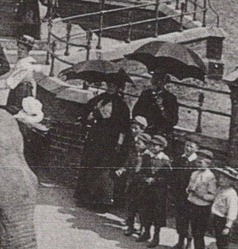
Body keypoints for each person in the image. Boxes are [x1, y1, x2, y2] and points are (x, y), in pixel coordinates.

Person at [75, 78, 131, 209]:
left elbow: (124, 127)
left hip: (110, 141)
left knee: (103, 170)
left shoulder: (121, 105)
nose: (111, 87)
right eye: (109, 84)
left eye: (114, 85)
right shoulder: (99, 99)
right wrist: (90, 115)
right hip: (95, 137)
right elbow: (86, 113)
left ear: (119, 88)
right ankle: (84, 197)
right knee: (88, 165)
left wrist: (119, 143)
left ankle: (100, 201)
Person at [133, 134, 172, 247]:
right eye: (152, 145)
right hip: (147, 189)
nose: (153, 148)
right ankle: (146, 232)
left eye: (157, 146)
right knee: (146, 211)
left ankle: (156, 236)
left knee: (157, 214)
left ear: (162, 148)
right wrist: (145, 179)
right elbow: (142, 171)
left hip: (159, 192)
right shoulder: (147, 157)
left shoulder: (165, 161)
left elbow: (167, 178)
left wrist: (155, 180)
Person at [183, 149, 217, 249]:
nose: (199, 164)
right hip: (192, 204)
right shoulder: (194, 174)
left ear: (208, 163)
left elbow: (212, 196)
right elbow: (188, 188)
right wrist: (189, 190)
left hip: (202, 208)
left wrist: (200, 195)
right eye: (198, 161)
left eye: (202, 162)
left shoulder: (210, 177)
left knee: (199, 235)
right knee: (193, 231)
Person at [207, 165, 238, 249]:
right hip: (216, 218)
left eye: (225, 178)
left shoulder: (231, 194)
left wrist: (228, 225)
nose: (221, 180)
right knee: (219, 242)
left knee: (224, 245)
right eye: (221, 177)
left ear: (231, 181)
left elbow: (232, 211)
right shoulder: (220, 190)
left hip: (224, 220)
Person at [167, 139, 200, 249]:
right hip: (179, 194)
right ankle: (180, 242)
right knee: (180, 218)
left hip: (190, 196)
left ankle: (189, 244)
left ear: (196, 149)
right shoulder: (180, 159)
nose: (188, 148)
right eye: (186, 146)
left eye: (191, 146)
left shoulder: (196, 163)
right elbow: (173, 175)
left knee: (189, 219)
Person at [116, 115, 149, 227]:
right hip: (131, 174)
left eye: (136, 128)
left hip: (140, 175)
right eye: (132, 127)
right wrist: (123, 168)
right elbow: (130, 158)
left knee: (140, 199)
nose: (133, 130)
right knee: (129, 196)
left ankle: (140, 222)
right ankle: (129, 219)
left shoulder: (146, 143)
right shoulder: (132, 141)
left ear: (142, 129)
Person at [0, 35, 39, 115]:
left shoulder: (26, 65)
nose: (19, 51)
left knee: (16, 111)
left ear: (28, 51)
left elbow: (13, 82)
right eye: (19, 48)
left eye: (22, 49)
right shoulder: (21, 60)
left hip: (21, 92)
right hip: (17, 89)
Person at [133, 71, 179, 139]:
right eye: (154, 80)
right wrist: (142, 123)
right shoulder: (146, 94)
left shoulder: (170, 98)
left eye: (159, 81)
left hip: (160, 131)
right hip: (145, 129)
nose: (155, 83)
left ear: (164, 82)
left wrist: (161, 107)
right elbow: (135, 111)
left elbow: (173, 120)